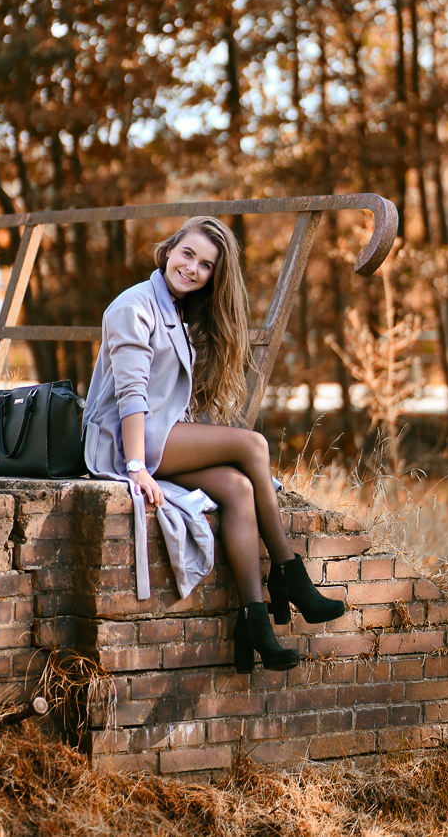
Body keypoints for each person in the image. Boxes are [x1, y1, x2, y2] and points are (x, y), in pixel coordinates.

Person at [83, 215, 344, 673]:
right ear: (169, 249)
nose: (193, 268)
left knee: (239, 488)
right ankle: (290, 574)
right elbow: (132, 395)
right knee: (253, 446)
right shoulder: (134, 306)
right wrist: (137, 466)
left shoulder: (175, 307)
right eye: (188, 254)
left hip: (158, 434)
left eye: (206, 265)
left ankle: (254, 622)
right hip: (123, 441)